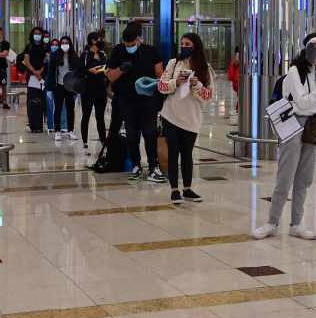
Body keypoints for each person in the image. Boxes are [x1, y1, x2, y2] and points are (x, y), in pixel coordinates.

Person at [252, 33, 316, 241]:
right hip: (293, 122)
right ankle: (272, 222)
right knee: (285, 175)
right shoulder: (295, 71)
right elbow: (302, 102)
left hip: (314, 124)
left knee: (304, 177)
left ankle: (297, 223)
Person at [157, 33, 215, 204]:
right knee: (173, 152)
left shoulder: (205, 68)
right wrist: (177, 82)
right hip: (171, 115)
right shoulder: (173, 63)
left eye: (188, 43)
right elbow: (161, 86)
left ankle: (188, 189)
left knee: (187, 154)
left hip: (192, 118)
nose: (184, 46)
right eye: (182, 43)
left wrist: (196, 84)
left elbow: (208, 95)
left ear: (195, 46)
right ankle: (174, 190)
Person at [106, 22, 167, 183]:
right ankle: (136, 165)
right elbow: (110, 76)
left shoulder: (151, 51)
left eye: (132, 44)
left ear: (140, 39)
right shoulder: (118, 51)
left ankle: (153, 167)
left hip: (148, 100)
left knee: (150, 133)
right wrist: (121, 69)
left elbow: (160, 75)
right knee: (132, 135)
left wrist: (152, 84)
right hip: (127, 101)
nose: (129, 47)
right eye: (127, 44)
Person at [80, 32, 108, 155]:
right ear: (92, 40)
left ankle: (103, 140)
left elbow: (107, 67)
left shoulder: (102, 54)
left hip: (101, 88)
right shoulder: (85, 54)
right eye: (98, 39)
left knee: (100, 116)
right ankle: (85, 142)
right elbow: (80, 70)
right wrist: (89, 71)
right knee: (86, 115)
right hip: (88, 88)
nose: (100, 40)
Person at [49, 35, 80, 142]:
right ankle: (57, 131)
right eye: (62, 43)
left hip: (70, 86)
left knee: (70, 109)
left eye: (66, 43)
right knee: (57, 108)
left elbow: (78, 72)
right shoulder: (55, 56)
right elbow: (51, 72)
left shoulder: (74, 57)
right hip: (59, 85)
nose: (64, 45)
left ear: (70, 44)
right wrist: (50, 86)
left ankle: (70, 130)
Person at [22, 27, 49, 133]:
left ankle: (40, 124)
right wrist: (34, 72)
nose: (37, 35)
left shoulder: (45, 47)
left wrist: (40, 72)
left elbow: (46, 61)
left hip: (42, 76)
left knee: (41, 99)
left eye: (39, 33)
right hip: (32, 76)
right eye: (35, 33)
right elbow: (26, 61)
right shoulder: (28, 46)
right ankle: (32, 124)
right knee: (32, 100)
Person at [0, 26, 11, 109]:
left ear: (1, 33)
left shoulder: (5, 43)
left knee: (3, 85)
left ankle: (4, 101)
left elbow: (5, 54)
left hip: (2, 68)